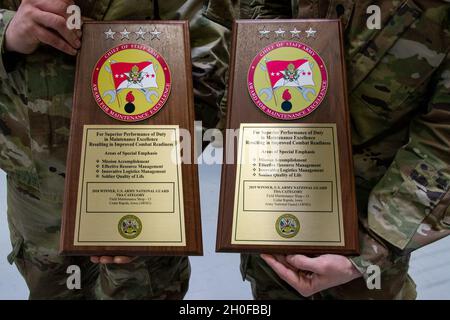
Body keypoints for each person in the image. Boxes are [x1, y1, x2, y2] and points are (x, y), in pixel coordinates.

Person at [0, 0, 231, 299]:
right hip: (35, 188)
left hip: (141, 184)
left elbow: (209, 59)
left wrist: (153, 176)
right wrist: (7, 30)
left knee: (139, 289)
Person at [237, 0, 450, 299]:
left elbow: (444, 136)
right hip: (271, 209)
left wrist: (371, 247)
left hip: (367, 237)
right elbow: (252, 22)